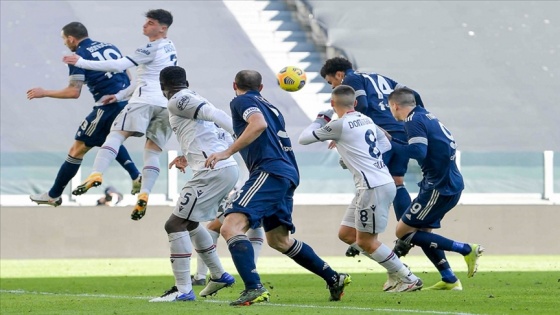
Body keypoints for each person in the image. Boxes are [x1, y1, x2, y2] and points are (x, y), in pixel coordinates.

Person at [205, 70, 351, 306]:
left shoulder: (242, 100)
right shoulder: (271, 107)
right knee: (279, 240)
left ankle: (254, 288)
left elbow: (257, 124)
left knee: (231, 227)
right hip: (286, 172)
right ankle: (334, 277)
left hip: (269, 171)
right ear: (261, 87)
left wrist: (227, 152)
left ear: (235, 85)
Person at [298, 85, 423, 292]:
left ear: (332, 104)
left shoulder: (339, 124)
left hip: (372, 187)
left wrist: (321, 118)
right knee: (347, 234)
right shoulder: (367, 120)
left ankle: (407, 277)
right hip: (375, 184)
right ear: (355, 103)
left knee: (365, 241)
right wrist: (354, 158)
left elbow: (304, 138)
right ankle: (395, 271)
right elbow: (386, 143)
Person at [63, 9, 177, 220]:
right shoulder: (171, 47)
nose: (145, 25)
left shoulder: (150, 48)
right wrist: (119, 95)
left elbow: (118, 65)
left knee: (115, 135)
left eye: (150, 23)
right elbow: (143, 77)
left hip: (143, 102)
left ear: (163, 28)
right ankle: (144, 193)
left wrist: (80, 62)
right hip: (165, 105)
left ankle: (96, 173)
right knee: (152, 152)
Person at [149, 66, 239, 302]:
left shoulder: (178, 99)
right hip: (220, 169)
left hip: (214, 171)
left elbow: (217, 115)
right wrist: (187, 156)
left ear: (162, 86)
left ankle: (183, 290)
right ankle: (218, 274)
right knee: (189, 223)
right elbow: (207, 132)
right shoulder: (192, 97)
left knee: (174, 224)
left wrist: (242, 136)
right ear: (186, 81)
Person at [28, 22, 141, 207]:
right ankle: (136, 175)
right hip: (128, 101)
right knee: (110, 139)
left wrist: (44, 92)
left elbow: (74, 92)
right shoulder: (109, 46)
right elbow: (128, 75)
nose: (65, 43)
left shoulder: (78, 57)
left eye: (64, 39)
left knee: (77, 150)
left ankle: (53, 195)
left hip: (107, 106)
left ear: (71, 38)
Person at [320, 56, 423, 258]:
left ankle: (363, 237)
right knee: (396, 181)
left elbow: (363, 105)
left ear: (339, 74)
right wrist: (414, 119)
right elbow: (415, 95)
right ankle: (406, 234)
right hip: (401, 132)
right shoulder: (381, 77)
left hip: (381, 135)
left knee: (369, 180)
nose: (333, 87)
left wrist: (345, 128)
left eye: (331, 82)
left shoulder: (351, 80)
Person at [387, 88, 484, 290]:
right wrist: (394, 140)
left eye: (390, 107)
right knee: (424, 233)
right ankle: (449, 279)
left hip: (438, 187)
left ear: (395, 106)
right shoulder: (425, 115)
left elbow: (418, 151)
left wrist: (390, 143)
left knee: (403, 233)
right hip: (447, 183)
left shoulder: (413, 120)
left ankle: (466, 249)